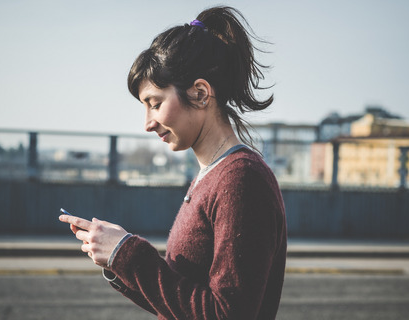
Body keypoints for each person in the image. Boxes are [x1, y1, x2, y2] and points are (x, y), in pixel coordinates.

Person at [59, 6, 287, 319]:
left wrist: (127, 253)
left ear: (201, 94)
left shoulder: (241, 180)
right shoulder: (213, 176)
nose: (147, 123)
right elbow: (179, 301)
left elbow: (225, 314)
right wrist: (116, 259)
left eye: (155, 104)